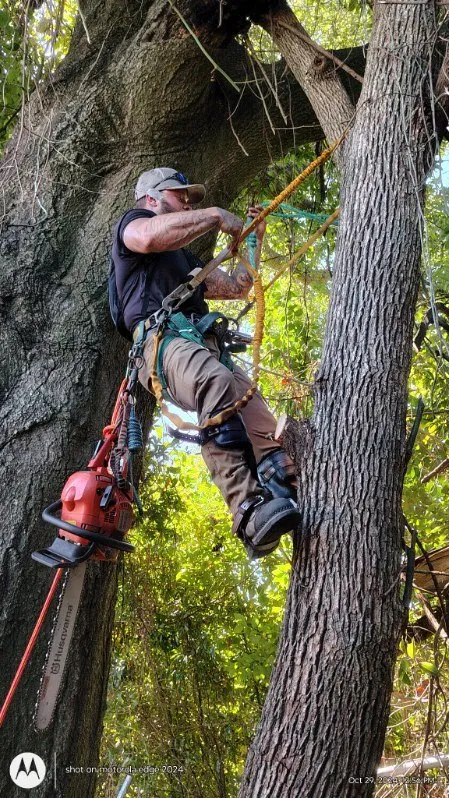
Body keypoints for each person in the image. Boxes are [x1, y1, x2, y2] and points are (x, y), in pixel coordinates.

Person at [111, 167, 300, 558]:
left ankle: (281, 486)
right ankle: (246, 509)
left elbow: (236, 287)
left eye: (189, 200)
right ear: (152, 198)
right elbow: (147, 238)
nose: (186, 203)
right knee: (211, 381)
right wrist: (215, 215)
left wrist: (253, 241)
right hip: (164, 343)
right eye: (180, 196)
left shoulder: (184, 259)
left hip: (206, 345)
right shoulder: (134, 226)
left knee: (263, 423)